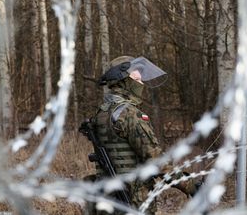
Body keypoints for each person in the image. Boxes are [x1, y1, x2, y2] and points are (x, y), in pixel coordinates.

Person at [85, 56, 201, 214]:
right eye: (136, 76)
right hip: (133, 201)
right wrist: (190, 186)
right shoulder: (130, 115)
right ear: (124, 80)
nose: (141, 82)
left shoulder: (101, 113)